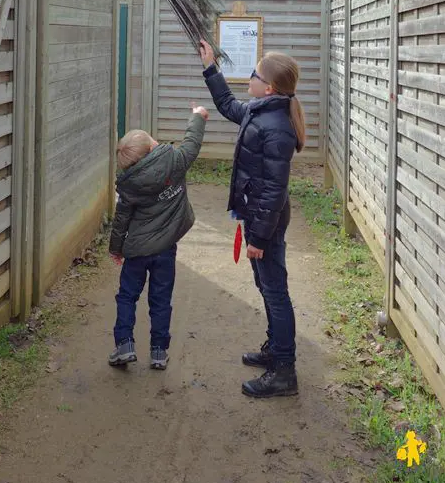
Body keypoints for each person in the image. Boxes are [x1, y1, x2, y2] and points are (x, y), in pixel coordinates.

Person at [199, 40, 305, 398]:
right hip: (260, 216)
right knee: (266, 286)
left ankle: (284, 372)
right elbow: (230, 106)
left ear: (269, 86)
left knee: (275, 293)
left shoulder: (276, 127)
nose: (250, 78)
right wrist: (210, 67)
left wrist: (258, 238)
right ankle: (275, 350)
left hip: (267, 221)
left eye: (254, 74)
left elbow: (274, 191)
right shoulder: (262, 111)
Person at [108, 105, 208, 370]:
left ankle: (124, 344)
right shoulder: (175, 162)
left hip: (136, 252)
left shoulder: (129, 185)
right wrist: (197, 116)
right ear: (152, 150)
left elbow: (121, 220)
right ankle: (159, 352)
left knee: (127, 296)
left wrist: (115, 249)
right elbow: (192, 142)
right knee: (161, 300)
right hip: (165, 250)